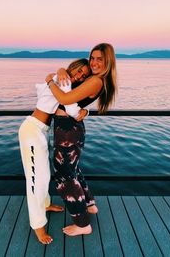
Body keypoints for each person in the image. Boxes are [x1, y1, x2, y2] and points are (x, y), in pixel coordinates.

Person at [45, 43, 117, 236]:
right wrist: (61, 70)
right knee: (73, 170)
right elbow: (75, 96)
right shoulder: (97, 80)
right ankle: (89, 204)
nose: (94, 62)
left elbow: (66, 99)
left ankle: (83, 224)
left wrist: (49, 82)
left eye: (99, 59)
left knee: (65, 177)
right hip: (71, 128)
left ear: (108, 61)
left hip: (67, 130)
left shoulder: (96, 81)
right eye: (92, 58)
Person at [18, 58, 91, 245]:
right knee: (35, 181)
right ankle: (38, 226)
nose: (80, 75)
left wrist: (54, 75)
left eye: (84, 75)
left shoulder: (58, 80)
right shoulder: (63, 83)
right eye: (79, 71)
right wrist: (85, 113)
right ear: (72, 67)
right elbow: (72, 109)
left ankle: (46, 205)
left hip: (40, 131)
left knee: (43, 176)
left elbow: (41, 87)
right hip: (32, 131)